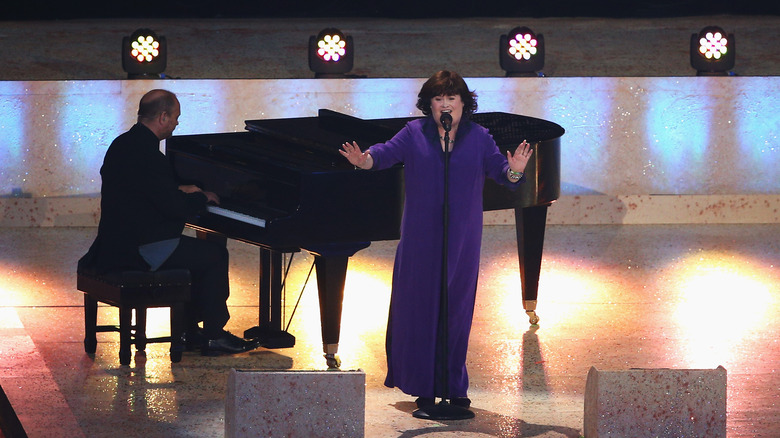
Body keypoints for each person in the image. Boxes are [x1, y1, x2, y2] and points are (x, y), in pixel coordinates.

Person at [339, 71, 533, 411]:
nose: (445, 104)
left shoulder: (479, 138)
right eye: (438, 99)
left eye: (451, 98)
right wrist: (364, 161)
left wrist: (515, 169)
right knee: (420, 311)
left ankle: (454, 387)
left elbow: (506, 176)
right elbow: (383, 155)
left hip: (462, 241)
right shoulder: (414, 134)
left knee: (455, 312)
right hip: (420, 239)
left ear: (463, 104)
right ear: (429, 105)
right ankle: (424, 388)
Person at [78, 89, 258, 356]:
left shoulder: (123, 144)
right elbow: (173, 208)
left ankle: (188, 329)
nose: (176, 123)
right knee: (214, 255)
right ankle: (212, 335)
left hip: (113, 244)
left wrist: (178, 189)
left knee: (196, 255)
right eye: (175, 117)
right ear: (162, 117)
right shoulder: (150, 156)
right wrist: (201, 198)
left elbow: (145, 190)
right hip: (139, 248)